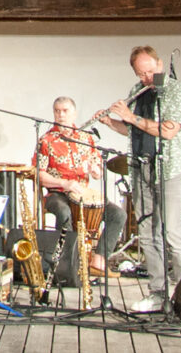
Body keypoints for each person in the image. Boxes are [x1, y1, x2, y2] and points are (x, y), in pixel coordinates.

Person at [101, 44, 181, 312]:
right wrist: (111, 122)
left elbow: (168, 131)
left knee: (172, 232)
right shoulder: (137, 91)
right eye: (141, 74)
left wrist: (130, 116)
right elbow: (133, 130)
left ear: (160, 65)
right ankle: (157, 294)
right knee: (148, 232)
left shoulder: (176, 90)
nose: (146, 78)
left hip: (168, 170)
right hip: (141, 168)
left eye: (150, 72)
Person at [34, 95, 128, 277]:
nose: (61, 115)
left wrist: (95, 171)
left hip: (82, 193)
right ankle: (68, 264)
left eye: (65, 111)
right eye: (57, 111)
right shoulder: (46, 140)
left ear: (74, 114)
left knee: (118, 214)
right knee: (64, 212)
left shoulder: (86, 138)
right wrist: (64, 183)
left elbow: (97, 171)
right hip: (57, 193)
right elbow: (39, 174)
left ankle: (98, 261)